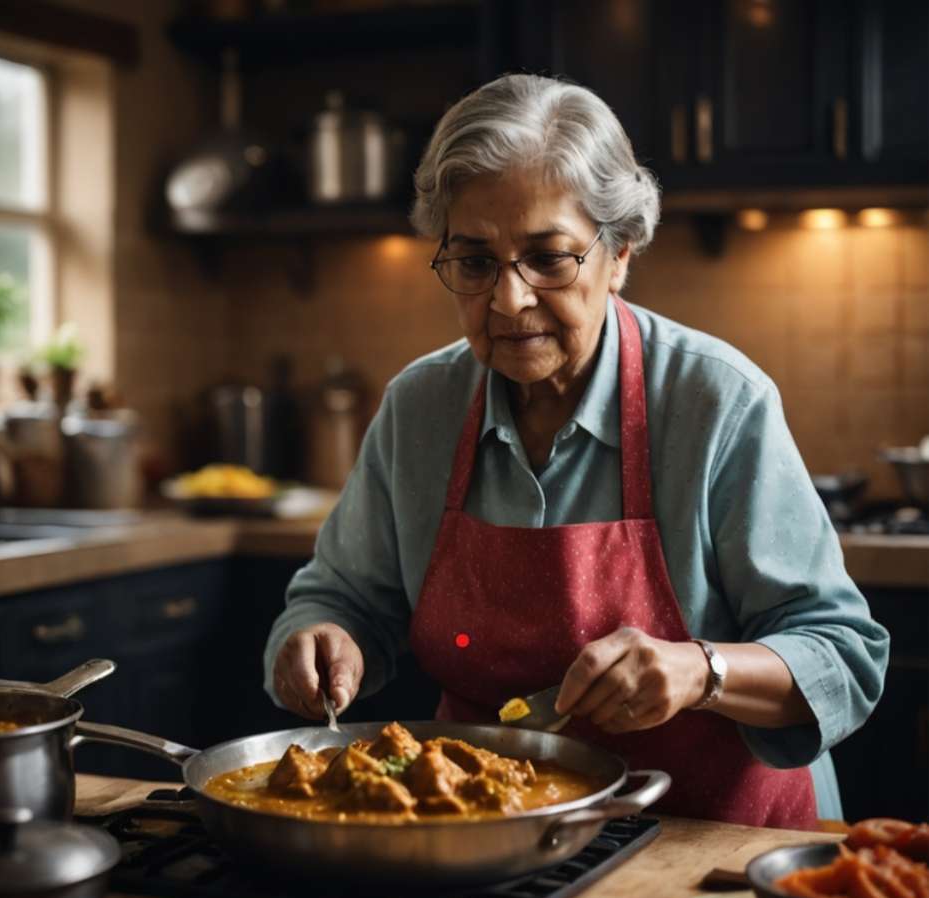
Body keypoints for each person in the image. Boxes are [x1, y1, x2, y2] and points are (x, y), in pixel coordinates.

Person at [264, 73, 888, 829]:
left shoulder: (716, 401)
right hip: (484, 835)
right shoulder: (418, 409)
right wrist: (320, 638)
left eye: (548, 258)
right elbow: (343, 598)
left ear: (619, 253)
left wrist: (701, 670)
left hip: (708, 842)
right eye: (474, 262)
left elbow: (843, 655)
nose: (509, 300)